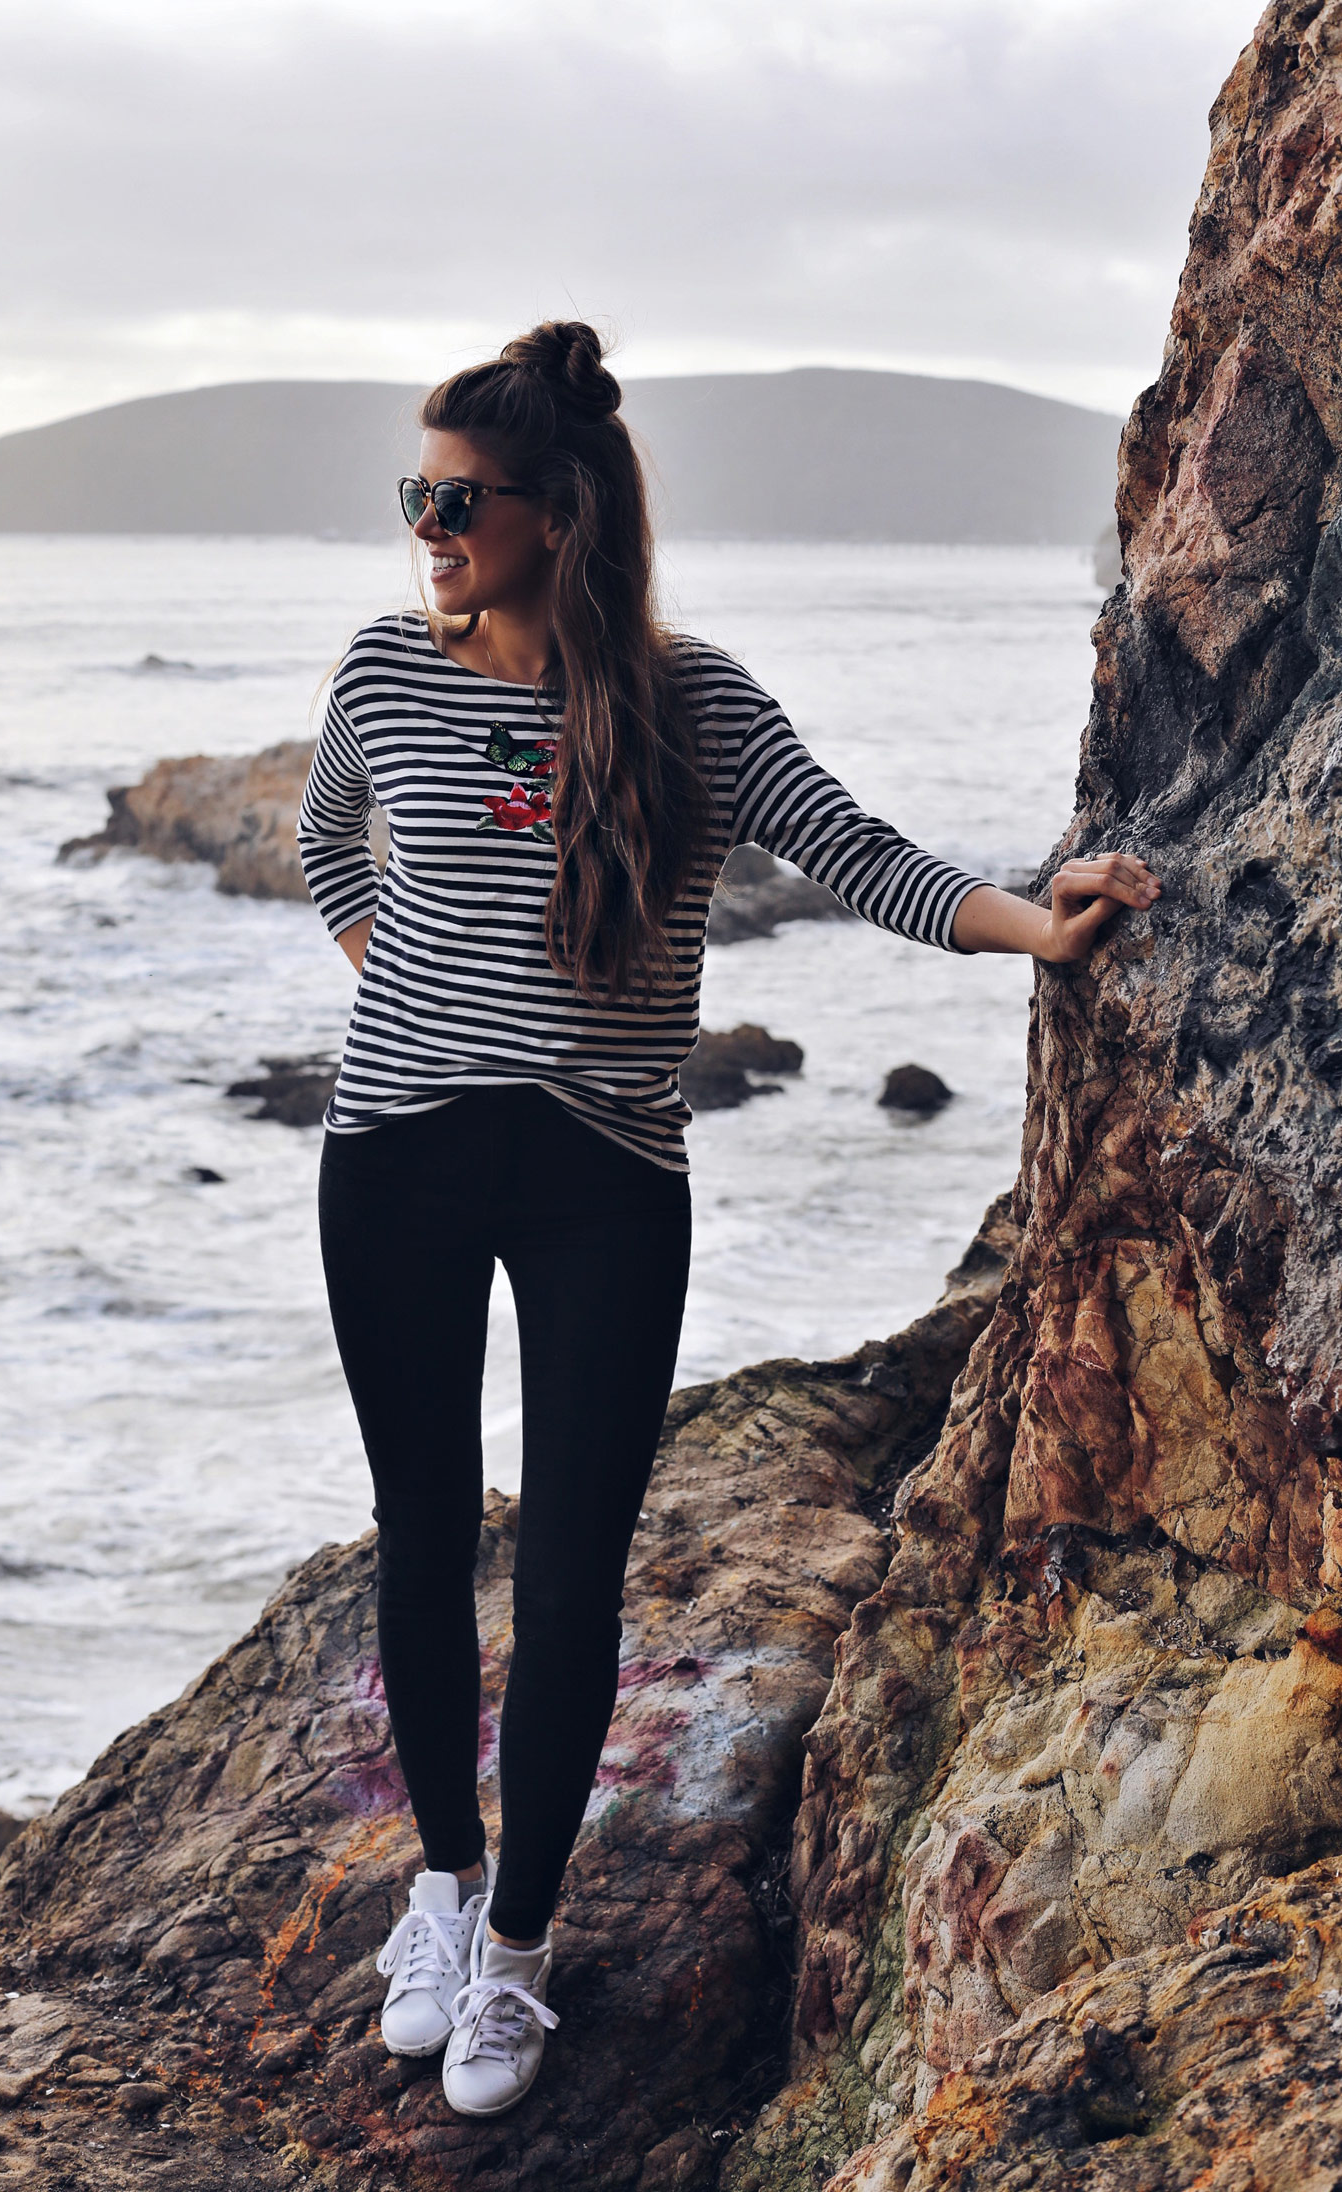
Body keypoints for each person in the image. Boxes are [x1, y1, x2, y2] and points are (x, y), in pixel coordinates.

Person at [297, 321, 1160, 2119]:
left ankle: (522, 1952)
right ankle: (441, 1891)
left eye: (455, 500)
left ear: (560, 514)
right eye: (415, 493)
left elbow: (861, 858)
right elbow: (326, 845)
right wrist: (410, 987)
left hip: (606, 1169)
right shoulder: (385, 671)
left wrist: (1033, 921)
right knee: (419, 1524)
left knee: (578, 1560)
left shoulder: (696, 705)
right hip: (394, 1156)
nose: (425, 527)